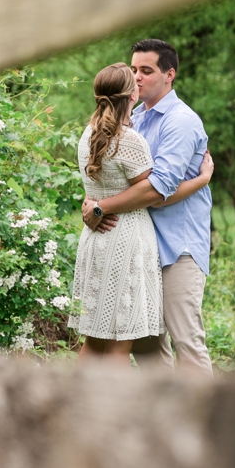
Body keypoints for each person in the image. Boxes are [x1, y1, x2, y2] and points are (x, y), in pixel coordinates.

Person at [82, 39, 215, 377]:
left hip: (177, 246)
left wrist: (100, 207)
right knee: (147, 347)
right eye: (134, 70)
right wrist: (93, 201)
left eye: (147, 70)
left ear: (169, 74)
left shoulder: (181, 122)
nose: (137, 77)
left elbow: (157, 190)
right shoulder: (133, 118)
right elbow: (117, 177)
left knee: (187, 341)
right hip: (138, 247)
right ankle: (164, 421)